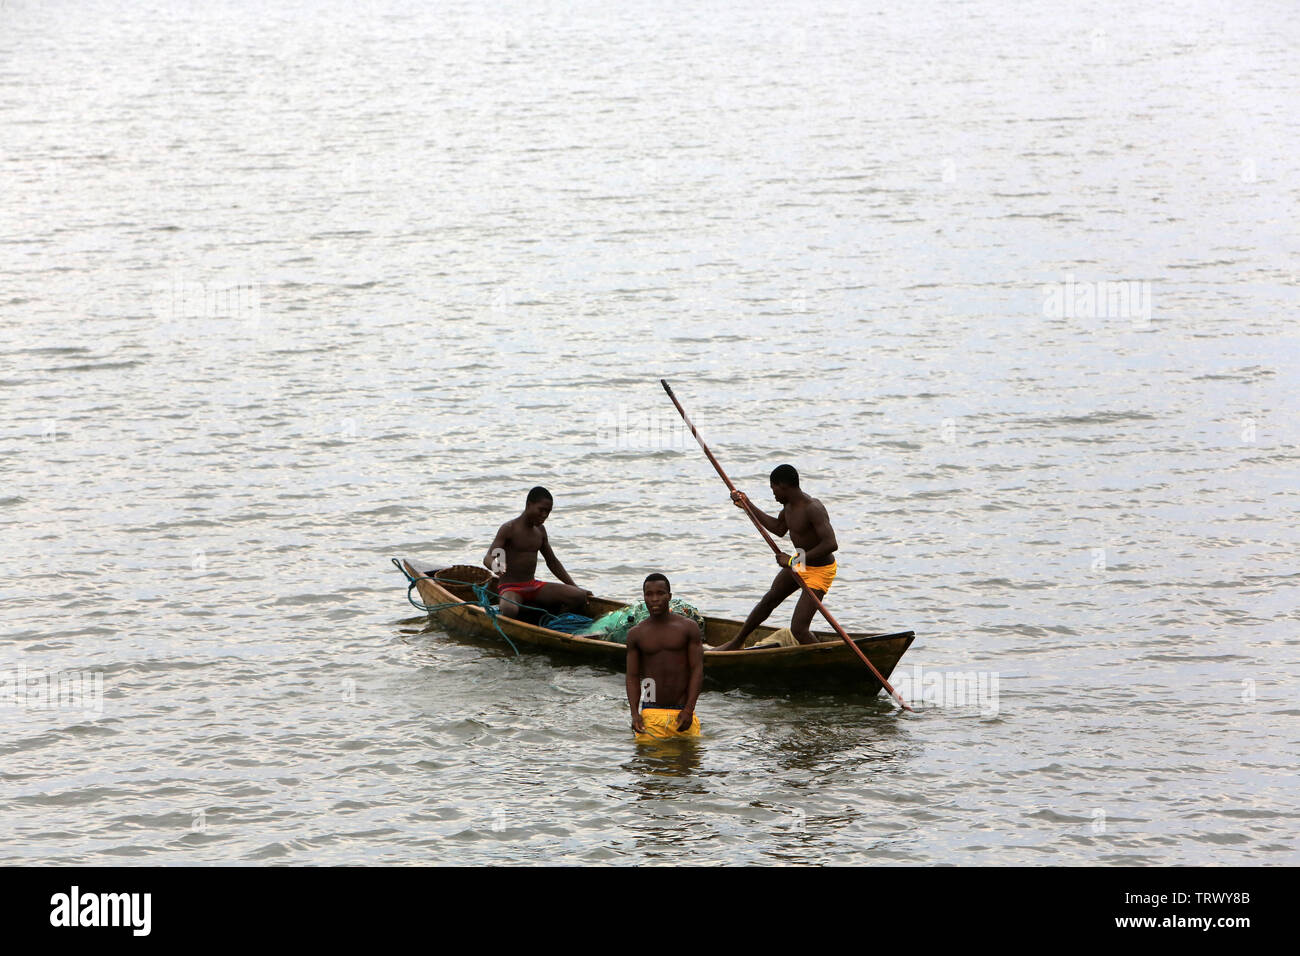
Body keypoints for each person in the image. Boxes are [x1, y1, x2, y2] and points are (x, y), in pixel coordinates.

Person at [710, 464, 838, 651]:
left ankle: (829, 662)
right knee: (769, 599)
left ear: (784, 486)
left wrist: (793, 561)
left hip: (820, 570)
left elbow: (831, 544)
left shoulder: (813, 508)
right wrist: (748, 505)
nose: (773, 494)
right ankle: (736, 642)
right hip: (802, 562)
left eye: (774, 489)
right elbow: (779, 528)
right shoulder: (788, 507)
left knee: (799, 629)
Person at [483, 486, 591, 619]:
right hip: (510, 588)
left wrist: (576, 587)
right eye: (541, 510)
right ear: (529, 505)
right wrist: (496, 566)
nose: (544, 515)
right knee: (509, 609)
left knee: (578, 597)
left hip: (532, 586)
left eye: (548, 512)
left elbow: (552, 562)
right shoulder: (509, 529)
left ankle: (552, 625)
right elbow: (488, 557)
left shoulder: (540, 531)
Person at [626, 573, 703, 740]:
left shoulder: (688, 628)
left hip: (682, 712)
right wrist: (635, 714)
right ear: (644, 598)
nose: (655, 599)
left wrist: (689, 710)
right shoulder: (636, 634)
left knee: (688, 763)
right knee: (646, 763)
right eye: (649, 594)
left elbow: (697, 669)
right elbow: (632, 676)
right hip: (651, 710)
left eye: (660, 593)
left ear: (669, 596)